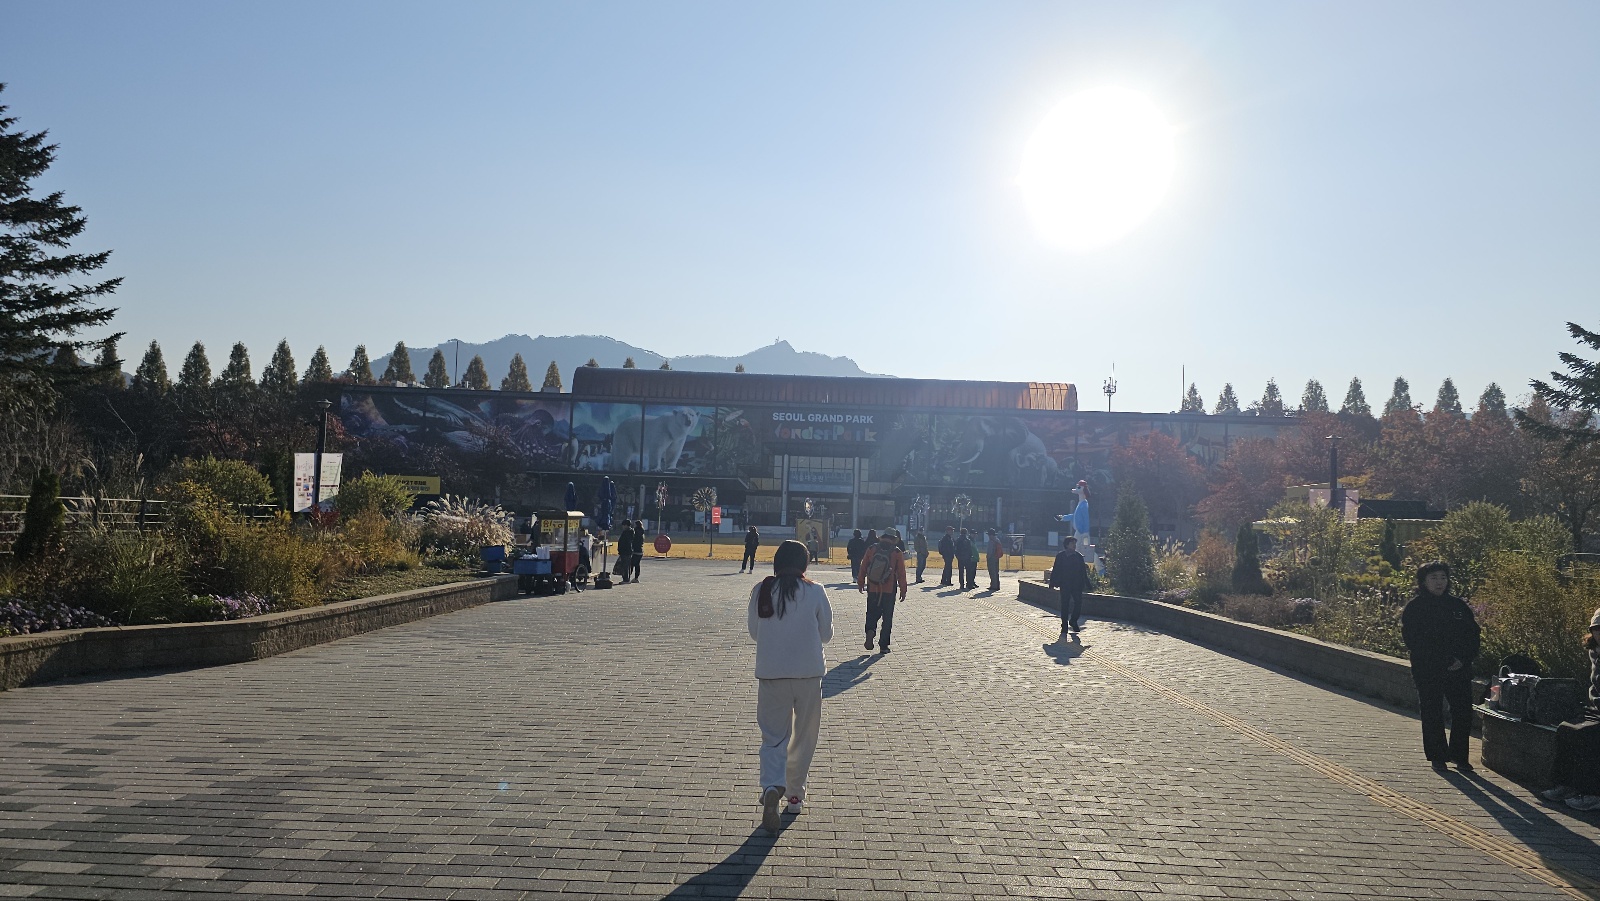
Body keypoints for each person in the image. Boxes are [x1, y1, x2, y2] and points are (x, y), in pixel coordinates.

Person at [748, 539, 833, 833]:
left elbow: (754, 632)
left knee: (773, 737)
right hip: (809, 675)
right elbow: (826, 635)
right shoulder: (815, 591)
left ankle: (772, 785)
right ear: (805, 564)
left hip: (771, 674)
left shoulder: (761, 590)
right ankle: (795, 795)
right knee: (804, 737)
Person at [1401, 561, 1481, 772]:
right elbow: (1414, 640)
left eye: (1443, 578)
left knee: (1462, 711)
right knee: (1432, 711)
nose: (1439, 583)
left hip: (1459, 668)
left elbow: (1473, 635)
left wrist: (1463, 659)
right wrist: (1443, 660)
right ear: (1424, 581)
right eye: (1434, 578)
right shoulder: (1415, 608)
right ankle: (1438, 755)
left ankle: (1460, 756)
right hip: (1428, 669)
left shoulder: (1458, 606)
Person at [1540, 608, 1600, 810]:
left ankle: (1591, 792)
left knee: (1589, 735)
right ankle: (1565, 784)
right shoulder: (1595, 651)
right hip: (1596, 707)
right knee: (1566, 728)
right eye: (1596, 629)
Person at [858, 529, 908, 654]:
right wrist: (903, 589)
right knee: (887, 617)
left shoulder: (871, 549)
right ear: (893, 538)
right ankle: (884, 645)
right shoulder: (897, 552)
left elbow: (863, 566)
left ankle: (870, 631)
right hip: (889, 589)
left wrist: (860, 583)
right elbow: (901, 573)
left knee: (871, 612)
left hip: (873, 587)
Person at [1049, 536, 1090, 637]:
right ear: (1067, 545)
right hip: (1065, 584)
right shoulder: (1061, 556)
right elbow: (1056, 570)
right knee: (1065, 605)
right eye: (1072, 543)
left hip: (1077, 585)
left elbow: (1083, 572)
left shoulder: (1079, 556)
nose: (1074, 545)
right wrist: (1052, 583)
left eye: (1075, 544)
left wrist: (1088, 584)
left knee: (1078, 603)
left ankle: (1073, 620)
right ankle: (1064, 626)